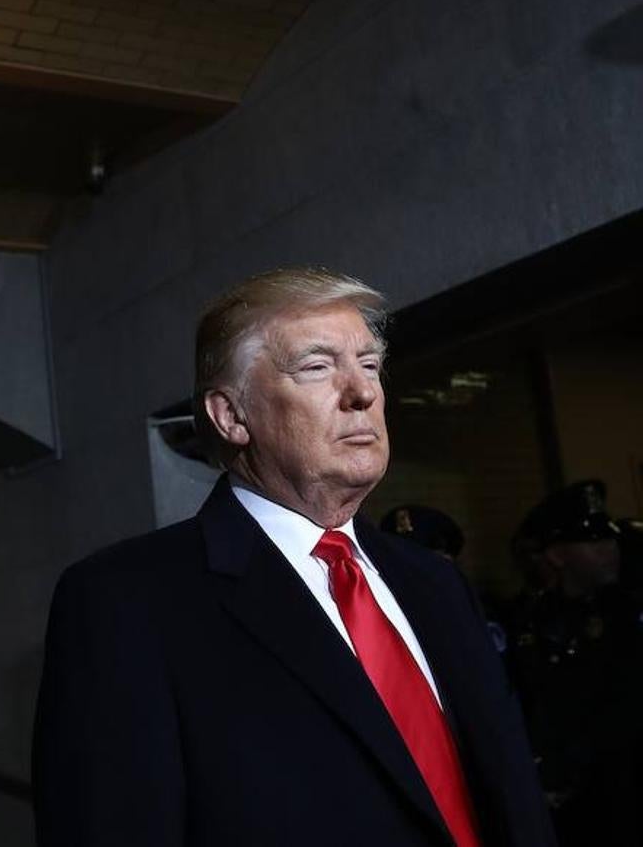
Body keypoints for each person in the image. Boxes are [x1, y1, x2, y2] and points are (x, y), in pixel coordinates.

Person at [32, 268, 555, 847]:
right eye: (316, 367)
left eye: (369, 364)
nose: (362, 393)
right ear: (231, 416)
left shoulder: (435, 583)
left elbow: (511, 797)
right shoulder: (126, 603)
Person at [504, 481, 643, 845]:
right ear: (557, 555)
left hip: (623, 791)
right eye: (593, 543)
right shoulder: (526, 620)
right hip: (563, 809)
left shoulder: (628, 614)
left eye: (609, 540)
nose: (609, 550)